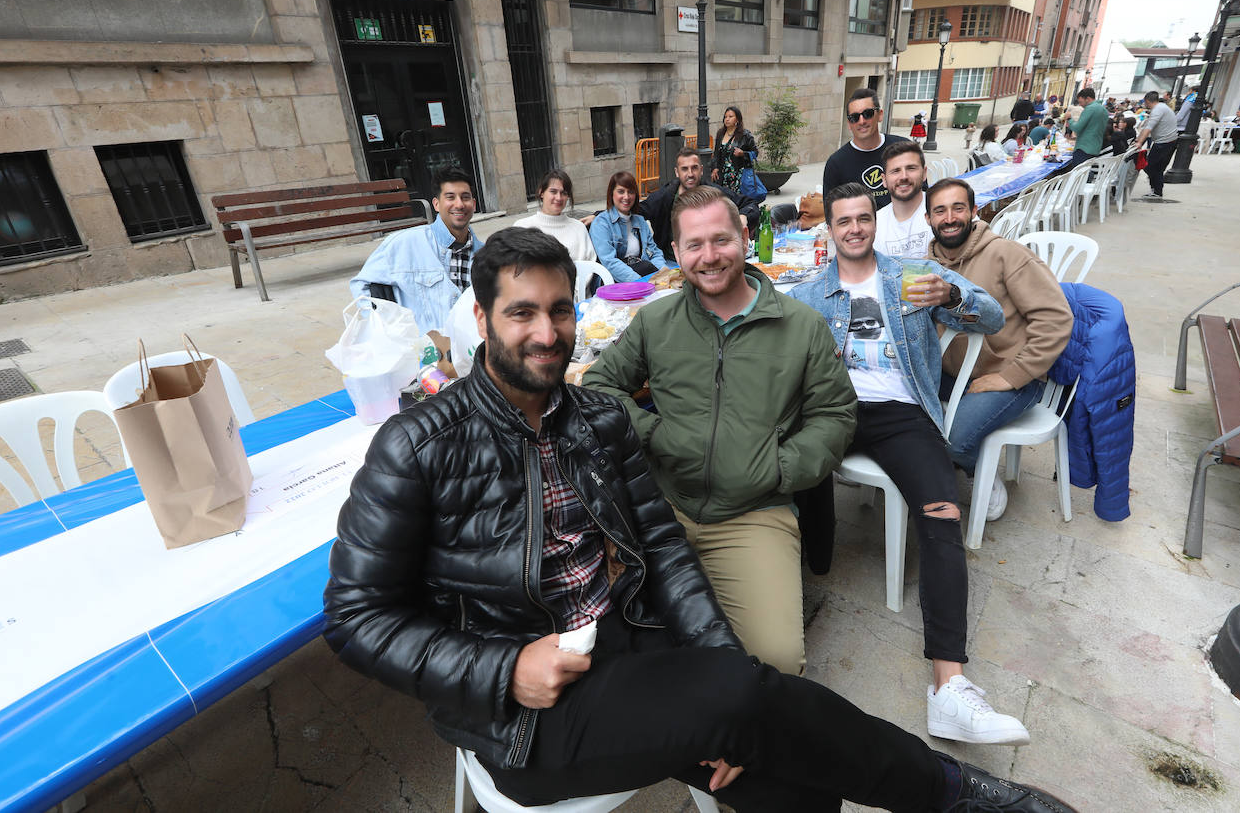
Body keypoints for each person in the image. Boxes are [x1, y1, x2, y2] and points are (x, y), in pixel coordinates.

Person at [322, 227, 1078, 813]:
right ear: (482, 320)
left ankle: (915, 782)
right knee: (765, 719)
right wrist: (502, 670)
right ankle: (949, 794)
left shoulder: (595, 416)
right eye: (522, 313)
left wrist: (725, 679)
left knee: (785, 772)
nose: (547, 333)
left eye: (559, 310)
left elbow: (664, 548)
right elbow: (355, 618)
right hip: (525, 711)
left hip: (631, 651)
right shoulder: (418, 444)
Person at [790, 183, 1032, 746]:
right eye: (842, 221)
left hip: (903, 413)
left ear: (874, 223)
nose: (854, 229)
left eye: (862, 219)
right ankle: (797, 587)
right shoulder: (808, 294)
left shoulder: (913, 274)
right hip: (836, 410)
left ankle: (949, 688)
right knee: (788, 473)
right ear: (828, 228)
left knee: (943, 518)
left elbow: (992, 315)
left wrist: (950, 295)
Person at [584, 186, 857, 675]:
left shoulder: (802, 327)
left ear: (745, 236)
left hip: (753, 513)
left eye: (721, 240)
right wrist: (654, 435)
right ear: (676, 252)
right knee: (622, 645)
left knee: (775, 662)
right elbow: (601, 386)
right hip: (664, 507)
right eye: (694, 245)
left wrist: (777, 467)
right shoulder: (656, 321)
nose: (708, 257)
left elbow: (835, 414)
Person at [925, 178, 1073, 519]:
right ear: (928, 219)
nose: (949, 218)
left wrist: (1011, 376)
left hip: (1010, 377)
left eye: (958, 208)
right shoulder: (926, 265)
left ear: (974, 211)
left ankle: (981, 471)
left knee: (956, 440)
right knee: (895, 414)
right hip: (952, 376)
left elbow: (1056, 318)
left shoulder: (1007, 254)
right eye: (940, 210)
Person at [348, 167, 482, 333]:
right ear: (436, 204)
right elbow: (362, 284)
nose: (459, 204)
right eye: (450, 197)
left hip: (468, 351)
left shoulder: (485, 256)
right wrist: (386, 330)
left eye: (465, 197)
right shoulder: (403, 244)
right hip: (423, 352)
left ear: (474, 205)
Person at [642, 147, 754, 259]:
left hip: (710, 258)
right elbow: (637, 211)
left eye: (694, 168)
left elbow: (749, 203)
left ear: (701, 170)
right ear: (677, 172)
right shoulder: (664, 196)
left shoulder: (715, 192)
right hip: (671, 261)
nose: (690, 174)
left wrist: (743, 216)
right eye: (684, 169)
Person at [822, 87, 903, 206]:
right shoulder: (836, 163)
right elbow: (831, 211)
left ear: (880, 115)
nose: (861, 121)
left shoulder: (903, 149)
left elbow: (921, 193)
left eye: (867, 114)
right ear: (849, 123)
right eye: (854, 117)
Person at [588, 171, 667, 281]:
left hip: (643, 275)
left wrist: (664, 274)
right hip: (613, 281)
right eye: (621, 191)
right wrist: (640, 282)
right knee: (646, 267)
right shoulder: (601, 223)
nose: (626, 197)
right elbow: (609, 262)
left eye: (630, 192)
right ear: (611, 194)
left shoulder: (640, 221)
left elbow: (654, 253)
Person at [514, 168, 596, 262]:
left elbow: (590, 266)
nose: (558, 198)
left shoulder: (579, 228)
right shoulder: (522, 227)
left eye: (564, 193)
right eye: (553, 191)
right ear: (541, 193)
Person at [873, 140, 933, 259]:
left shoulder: (946, 211)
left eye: (911, 168)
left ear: (924, 173)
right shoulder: (874, 224)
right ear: (884, 180)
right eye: (895, 171)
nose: (904, 176)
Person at [1134, 91, 1179, 200]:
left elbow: (1149, 127)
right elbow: (1146, 128)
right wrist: (1138, 139)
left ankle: (1156, 191)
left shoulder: (1158, 110)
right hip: (1166, 141)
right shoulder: (1162, 107)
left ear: (1147, 101)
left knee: (1150, 166)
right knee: (1157, 167)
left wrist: (1139, 143)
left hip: (1164, 142)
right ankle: (1156, 190)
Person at [710, 105, 758, 197]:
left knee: (737, 200)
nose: (727, 119)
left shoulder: (745, 135)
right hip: (723, 175)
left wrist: (743, 153)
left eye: (730, 117)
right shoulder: (720, 134)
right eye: (725, 117)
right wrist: (715, 168)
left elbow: (755, 152)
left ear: (737, 120)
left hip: (739, 175)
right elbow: (716, 154)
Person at [1062, 88, 1109, 168]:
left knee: (1078, 174)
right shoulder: (1103, 109)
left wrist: (1069, 119)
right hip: (1095, 147)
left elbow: (1077, 128)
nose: (1080, 105)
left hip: (1084, 147)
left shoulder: (1090, 108)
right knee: (1086, 173)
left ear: (1087, 99)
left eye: (1081, 102)